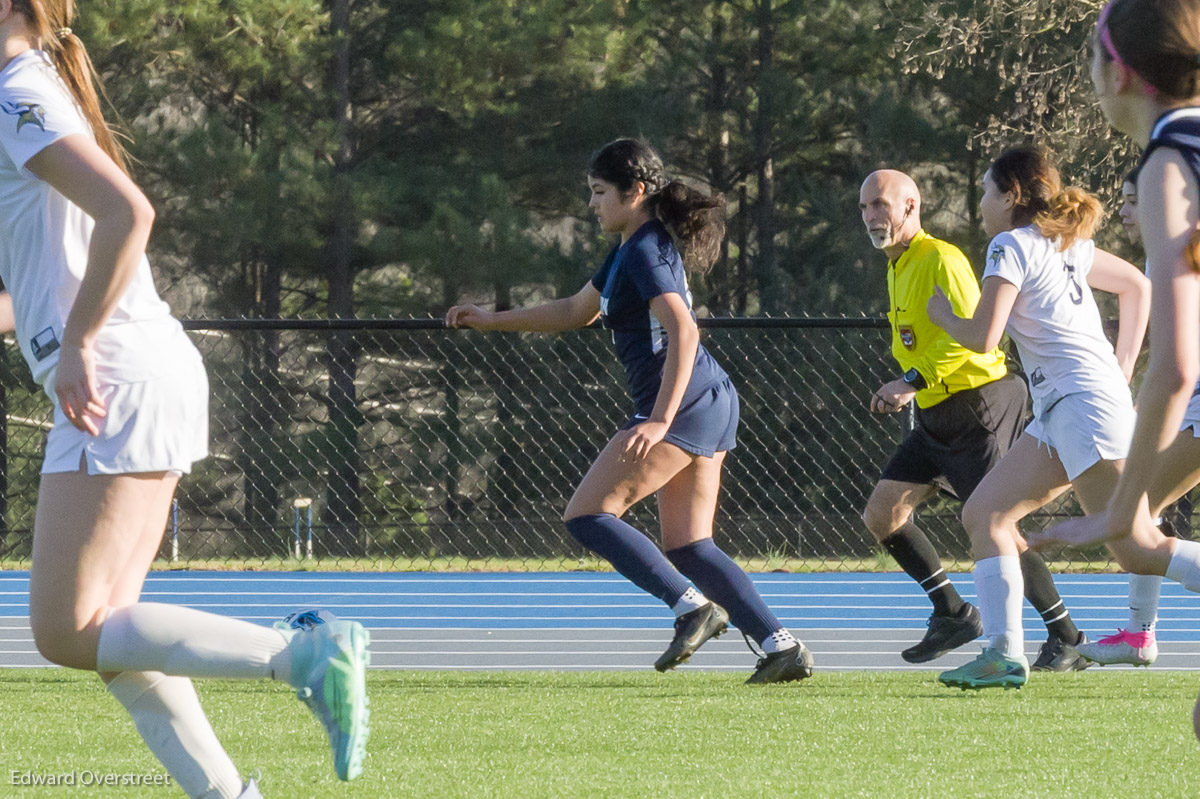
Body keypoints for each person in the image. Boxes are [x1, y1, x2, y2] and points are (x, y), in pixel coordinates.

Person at [0, 4, 369, 797]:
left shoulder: (15, 90)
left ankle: (305, 655)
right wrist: (56, 335)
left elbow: (130, 213)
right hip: (127, 371)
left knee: (68, 630)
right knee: (111, 634)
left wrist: (76, 344)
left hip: (115, 375)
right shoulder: (27, 89)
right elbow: (48, 279)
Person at [446, 138, 812, 683]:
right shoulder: (629, 249)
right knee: (690, 545)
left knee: (588, 515)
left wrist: (660, 419)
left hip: (684, 404)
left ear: (635, 191)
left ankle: (692, 609)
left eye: (599, 192)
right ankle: (781, 646)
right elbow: (576, 310)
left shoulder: (643, 250)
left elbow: (685, 329)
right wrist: (488, 320)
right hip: (708, 399)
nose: (592, 204)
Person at [1022, 0, 1200, 734]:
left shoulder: (1170, 165)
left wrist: (1123, 511)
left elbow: (1178, 365)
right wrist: (1126, 507)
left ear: (1118, 72)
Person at [927, 145, 1151, 689]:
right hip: (1064, 408)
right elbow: (1136, 287)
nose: (981, 203)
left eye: (985, 191)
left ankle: (1139, 637)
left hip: (1081, 409)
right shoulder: (1065, 242)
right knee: (985, 515)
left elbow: (982, 337)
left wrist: (942, 316)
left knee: (1135, 544)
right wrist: (1118, 371)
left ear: (1011, 196)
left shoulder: (1010, 244)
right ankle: (1004, 654)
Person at [858, 170, 1088, 669]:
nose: (873, 216)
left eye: (881, 204)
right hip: (939, 412)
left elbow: (974, 339)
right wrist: (916, 386)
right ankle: (952, 612)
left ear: (911, 207)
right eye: (865, 208)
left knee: (995, 521)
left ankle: (1066, 635)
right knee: (882, 515)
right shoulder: (897, 264)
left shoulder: (941, 257)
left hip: (980, 404)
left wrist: (910, 382)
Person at [1074, 166, 1191, 667]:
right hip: (1189, 403)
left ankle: (1140, 636)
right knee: (1142, 513)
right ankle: (1140, 636)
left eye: (1132, 199)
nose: (1122, 208)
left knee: (1137, 510)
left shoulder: (1184, 255)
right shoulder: (1158, 259)